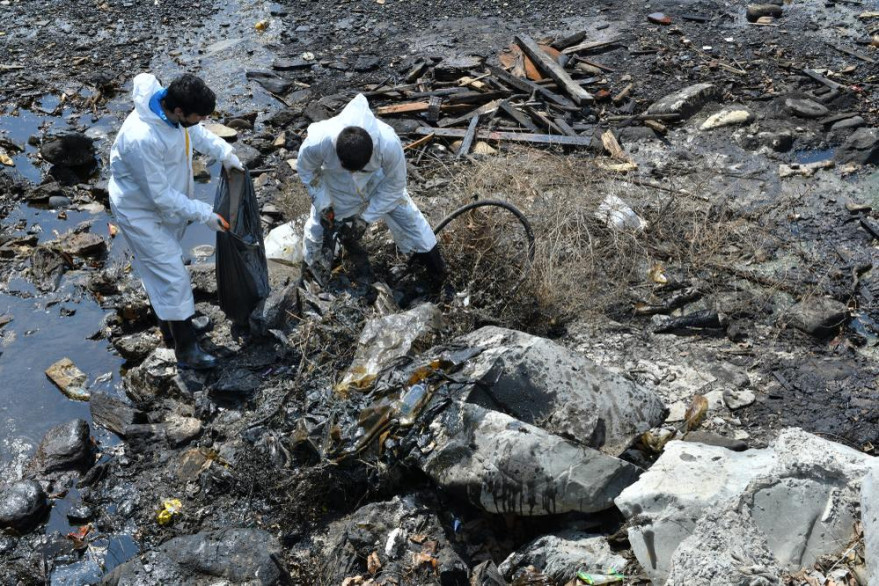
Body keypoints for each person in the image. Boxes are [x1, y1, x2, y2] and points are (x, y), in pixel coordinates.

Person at [108, 72, 244, 370]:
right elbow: (161, 197)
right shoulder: (142, 138)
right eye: (197, 116)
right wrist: (205, 214)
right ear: (179, 111)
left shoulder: (172, 112)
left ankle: (173, 324)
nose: (199, 121)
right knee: (172, 274)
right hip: (139, 212)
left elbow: (194, 132)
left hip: (159, 206)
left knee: (164, 269)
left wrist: (226, 152)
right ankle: (186, 349)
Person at [296, 93, 447, 290]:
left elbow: (395, 185)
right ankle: (317, 275)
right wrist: (324, 204)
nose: (354, 173)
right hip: (337, 183)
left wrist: (365, 218)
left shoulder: (389, 144)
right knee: (320, 227)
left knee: (410, 220)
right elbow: (307, 170)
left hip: (378, 181)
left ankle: (437, 273)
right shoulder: (319, 142)